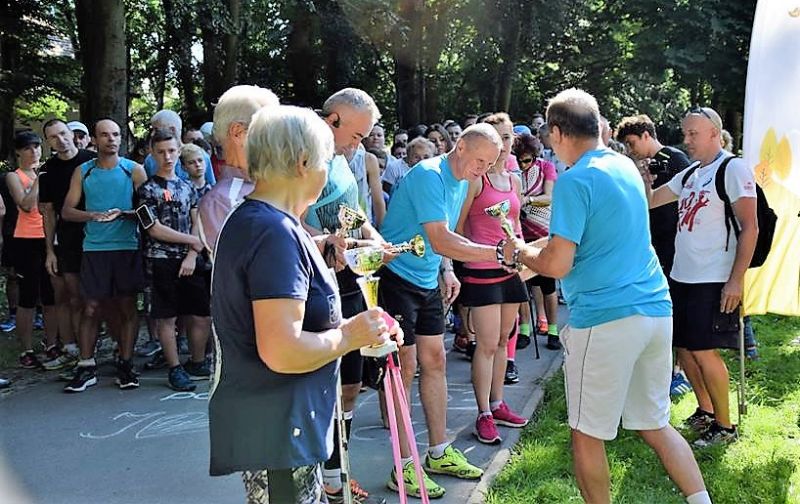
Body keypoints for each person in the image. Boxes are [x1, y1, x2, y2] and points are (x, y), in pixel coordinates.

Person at [503, 89, 710, 504]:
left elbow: (558, 263)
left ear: (557, 133)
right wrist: (536, 252)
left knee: (586, 432)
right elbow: (594, 237)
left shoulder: (575, 179)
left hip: (605, 317)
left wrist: (520, 253)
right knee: (655, 424)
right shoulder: (624, 166)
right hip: (654, 309)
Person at [208, 104, 402, 504]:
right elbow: (283, 350)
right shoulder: (272, 231)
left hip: (281, 426)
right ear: (302, 163)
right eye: (326, 162)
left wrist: (361, 327)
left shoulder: (269, 222)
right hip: (277, 431)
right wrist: (349, 336)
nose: (328, 172)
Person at [378, 123, 505, 498]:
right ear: (460, 146)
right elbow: (440, 238)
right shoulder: (429, 175)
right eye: (480, 160)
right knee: (405, 367)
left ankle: (437, 451)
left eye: (490, 164)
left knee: (436, 360)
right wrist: (499, 254)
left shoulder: (464, 179)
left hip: (427, 278)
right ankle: (403, 465)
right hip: (396, 276)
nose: (482, 169)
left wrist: (447, 270)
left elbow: (445, 236)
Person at [643, 107, 756, 448]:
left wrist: (735, 280)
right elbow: (651, 201)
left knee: (704, 351)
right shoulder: (692, 173)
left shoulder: (732, 168)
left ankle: (725, 426)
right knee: (685, 347)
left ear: (714, 134)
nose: (687, 140)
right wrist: (643, 181)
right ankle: (706, 410)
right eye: (685, 133)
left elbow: (750, 227)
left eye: (693, 133)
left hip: (713, 277)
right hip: (682, 275)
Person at [306, 88, 389, 504]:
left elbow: (355, 215)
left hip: (350, 282)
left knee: (352, 384)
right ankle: (319, 473)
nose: (358, 146)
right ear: (332, 120)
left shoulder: (341, 160)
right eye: (356, 135)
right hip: (315, 285)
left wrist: (376, 240)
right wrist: (329, 242)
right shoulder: (302, 159)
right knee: (322, 382)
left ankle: (338, 472)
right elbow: (286, 222)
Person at [455, 113, 529, 445]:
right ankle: (483, 413)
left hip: (511, 270)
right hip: (482, 270)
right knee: (485, 345)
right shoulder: (475, 180)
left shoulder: (514, 181)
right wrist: (465, 259)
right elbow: (457, 227)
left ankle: (497, 404)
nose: (504, 144)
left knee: (502, 340)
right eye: (498, 137)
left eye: (508, 137)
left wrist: (524, 256)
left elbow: (517, 225)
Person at [61, 118, 149, 393]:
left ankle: (126, 363)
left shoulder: (134, 170)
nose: (111, 139)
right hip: (94, 248)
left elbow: (149, 212)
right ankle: (86, 365)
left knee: (126, 306)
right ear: (94, 139)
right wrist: (93, 216)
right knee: (90, 307)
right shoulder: (83, 171)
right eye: (105, 135)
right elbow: (67, 211)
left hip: (126, 247)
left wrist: (124, 214)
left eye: (115, 134)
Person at [138, 129, 210, 391]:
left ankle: (197, 361)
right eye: (161, 152)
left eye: (171, 151)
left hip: (190, 260)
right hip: (161, 260)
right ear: (152, 153)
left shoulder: (188, 187)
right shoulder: (146, 189)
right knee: (166, 317)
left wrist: (192, 253)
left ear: (179, 151)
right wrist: (190, 241)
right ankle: (174, 367)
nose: (167, 157)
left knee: (201, 314)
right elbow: (153, 229)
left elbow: (197, 220)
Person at [39, 119, 98, 369]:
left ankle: (110, 349)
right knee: (73, 297)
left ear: (72, 134)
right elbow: (48, 213)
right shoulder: (47, 170)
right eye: (53, 137)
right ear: (48, 142)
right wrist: (49, 251)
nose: (60, 140)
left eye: (63, 133)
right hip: (68, 240)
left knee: (104, 297)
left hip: (100, 236)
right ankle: (74, 349)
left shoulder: (92, 160)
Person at [197, 85, 280, 256]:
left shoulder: (274, 184)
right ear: (238, 133)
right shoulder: (220, 201)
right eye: (269, 131)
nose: (278, 141)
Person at [7, 131, 58, 369]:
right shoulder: (13, 176)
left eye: (37, 147)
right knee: (27, 297)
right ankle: (26, 349)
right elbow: (26, 205)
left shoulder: (47, 173)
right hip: (26, 239)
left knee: (50, 295)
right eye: (28, 148)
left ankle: (51, 343)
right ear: (19, 152)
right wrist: (39, 179)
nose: (34, 152)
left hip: (48, 237)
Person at [513, 133, 560, 351]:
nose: (523, 165)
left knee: (548, 284)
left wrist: (528, 199)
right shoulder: (513, 172)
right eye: (519, 160)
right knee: (523, 284)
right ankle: (524, 329)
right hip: (521, 232)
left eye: (527, 160)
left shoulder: (546, 167)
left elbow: (549, 196)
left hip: (543, 231)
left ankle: (553, 330)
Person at [143, 110, 216, 185]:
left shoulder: (201, 155)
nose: (152, 134)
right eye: (161, 152)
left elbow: (212, 187)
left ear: (172, 130)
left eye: (156, 129)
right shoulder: (151, 160)